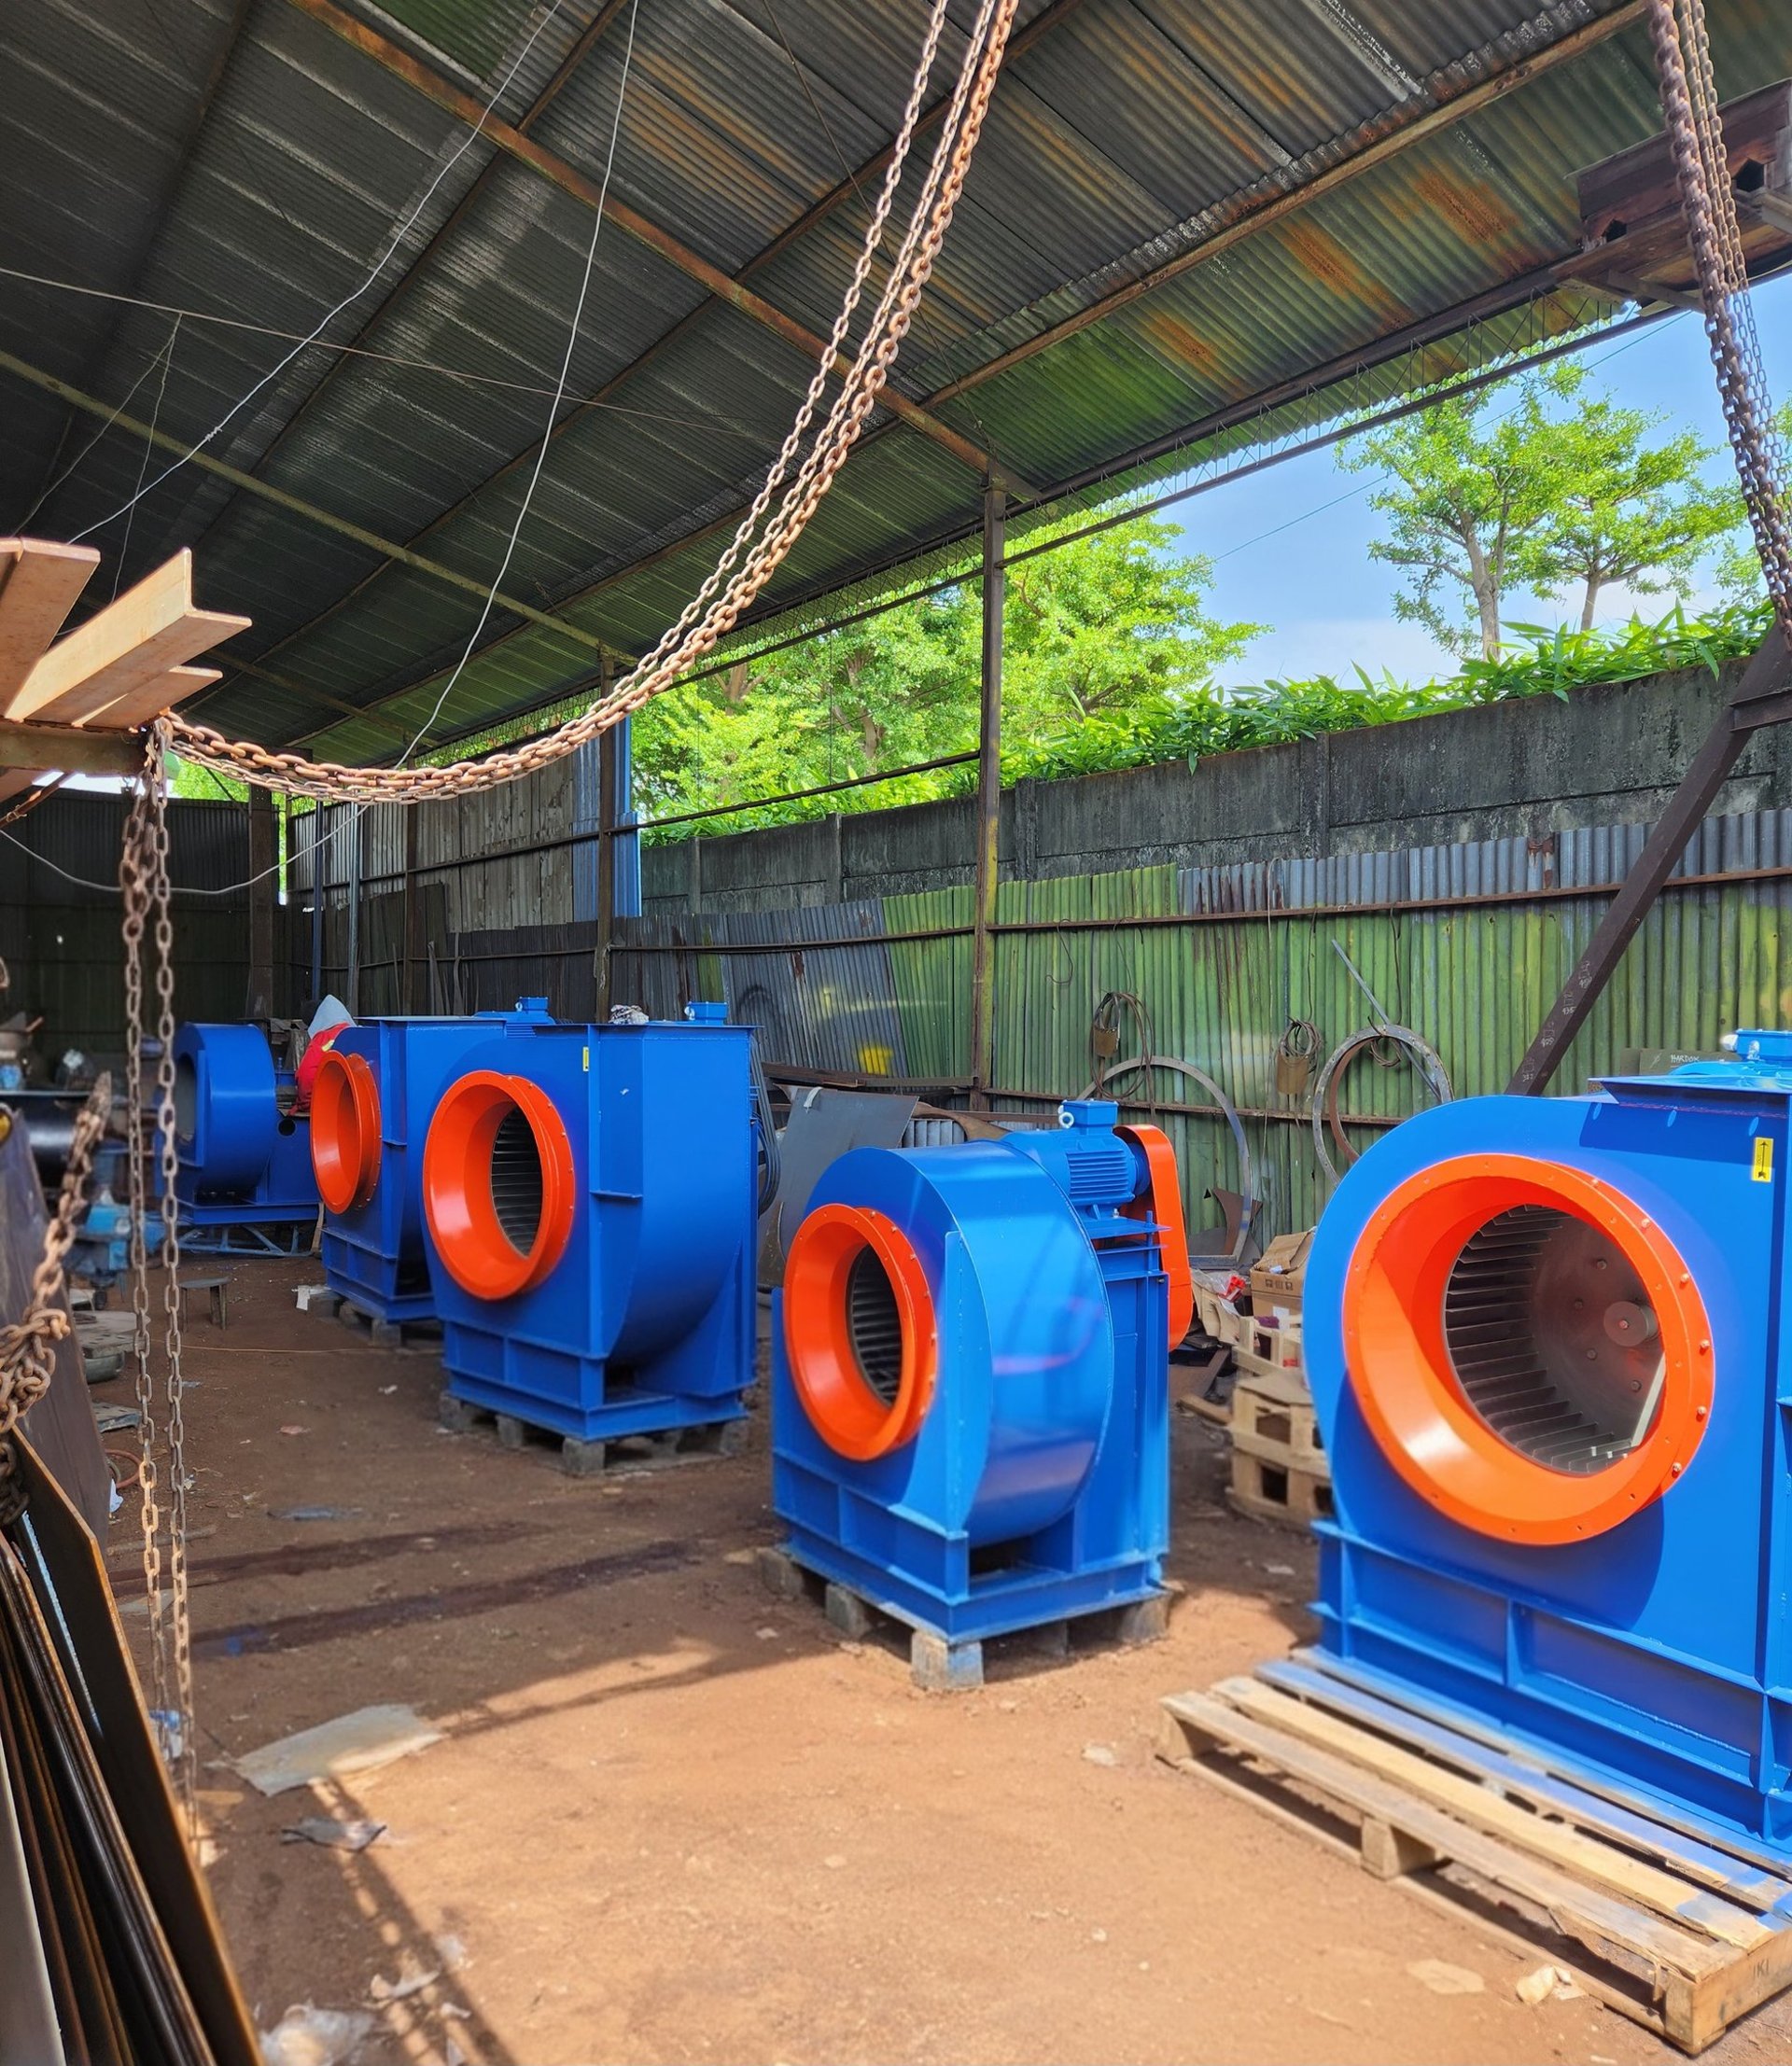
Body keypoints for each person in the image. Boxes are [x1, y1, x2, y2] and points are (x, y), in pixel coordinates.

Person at [293, 995, 353, 1112]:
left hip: (326, 1107)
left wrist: (306, 1104)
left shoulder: (323, 1039)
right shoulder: (356, 1033)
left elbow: (307, 1074)